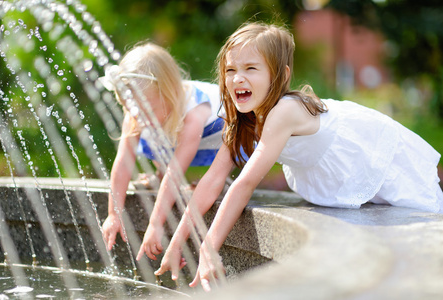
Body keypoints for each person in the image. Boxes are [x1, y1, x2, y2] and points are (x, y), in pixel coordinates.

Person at [154, 22, 443, 292]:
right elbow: (212, 180)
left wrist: (208, 248)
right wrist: (177, 241)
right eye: (231, 70)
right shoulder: (241, 118)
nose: (238, 78)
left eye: (251, 68)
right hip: (330, 163)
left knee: (415, 217)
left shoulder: (285, 111)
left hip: (363, 147)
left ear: (281, 75)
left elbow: (244, 184)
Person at [99, 42, 224, 261]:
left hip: (219, 130)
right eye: (131, 109)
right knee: (146, 132)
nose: (138, 116)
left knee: (218, 154)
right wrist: (113, 213)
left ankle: (221, 183)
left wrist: (155, 224)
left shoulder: (196, 111)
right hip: (175, 130)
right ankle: (158, 173)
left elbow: (175, 172)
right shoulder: (140, 111)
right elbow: (122, 163)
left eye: (148, 109)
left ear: (172, 93)